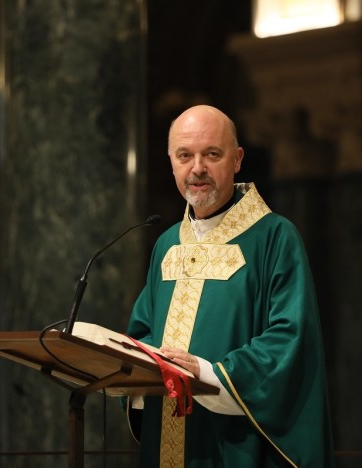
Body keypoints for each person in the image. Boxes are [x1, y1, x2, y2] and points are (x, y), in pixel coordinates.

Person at [125, 105, 334, 467]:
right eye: (185, 156)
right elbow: (142, 331)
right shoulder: (167, 244)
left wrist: (207, 374)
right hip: (168, 443)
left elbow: (288, 340)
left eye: (212, 154)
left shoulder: (274, 237)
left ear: (237, 160)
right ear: (171, 162)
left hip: (237, 445)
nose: (197, 169)